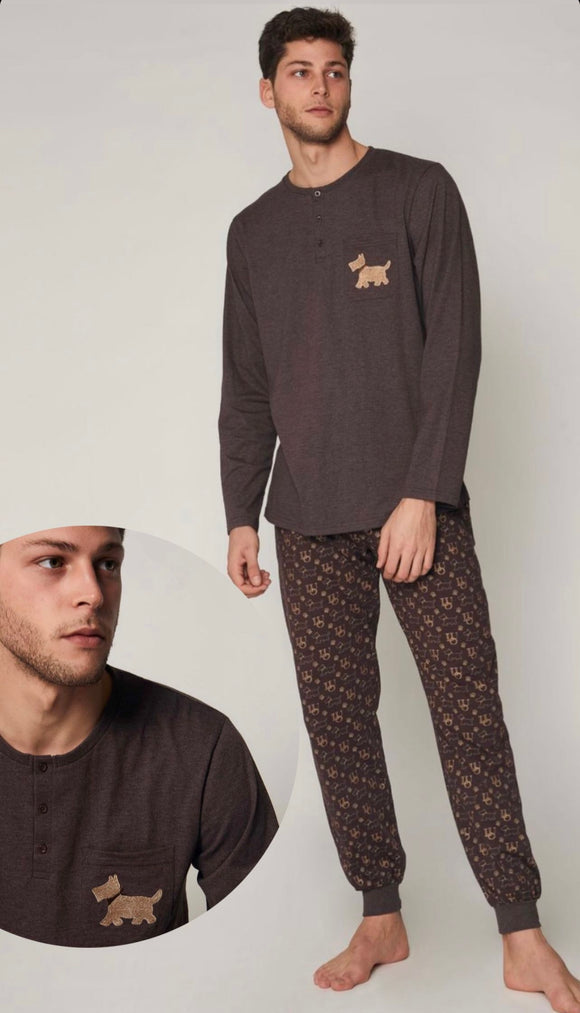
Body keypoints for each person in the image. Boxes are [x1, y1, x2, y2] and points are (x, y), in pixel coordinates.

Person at [218, 7, 579, 1008]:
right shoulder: (252, 232)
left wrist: (422, 491)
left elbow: (453, 349)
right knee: (338, 725)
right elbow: (246, 385)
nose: (320, 86)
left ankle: (522, 932)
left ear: (349, 82)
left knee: (469, 713)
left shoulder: (419, 191)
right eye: (300, 71)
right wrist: (241, 510)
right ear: (268, 91)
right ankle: (381, 913)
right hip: (304, 512)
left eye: (334, 69)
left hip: (416, 506)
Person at [0, 525, 277, 947]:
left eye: (108, 564)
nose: (93, 594)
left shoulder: (202, 745)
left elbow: (260, 944)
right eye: (53, 562)